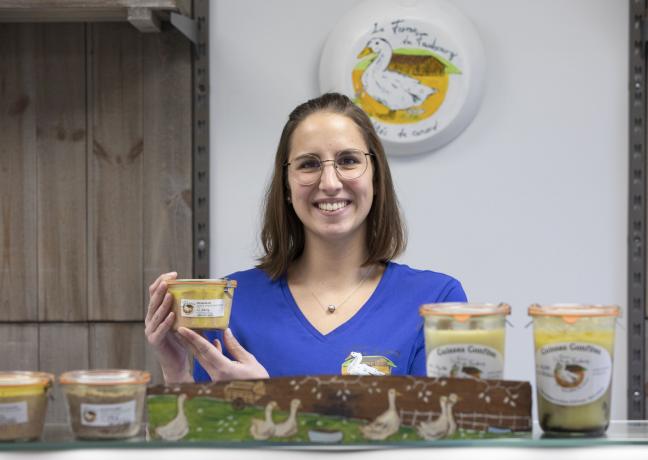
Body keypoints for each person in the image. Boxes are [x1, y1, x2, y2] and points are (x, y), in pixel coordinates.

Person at [145, 92, 466, 384]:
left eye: (348, 161)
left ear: (376, 176)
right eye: (309, 164)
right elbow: (206, 441)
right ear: (286, 185)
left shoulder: (437, 301)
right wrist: (176, 371)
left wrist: (266, 399)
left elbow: (448, 438)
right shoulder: (231, 303)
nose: (329, 182)